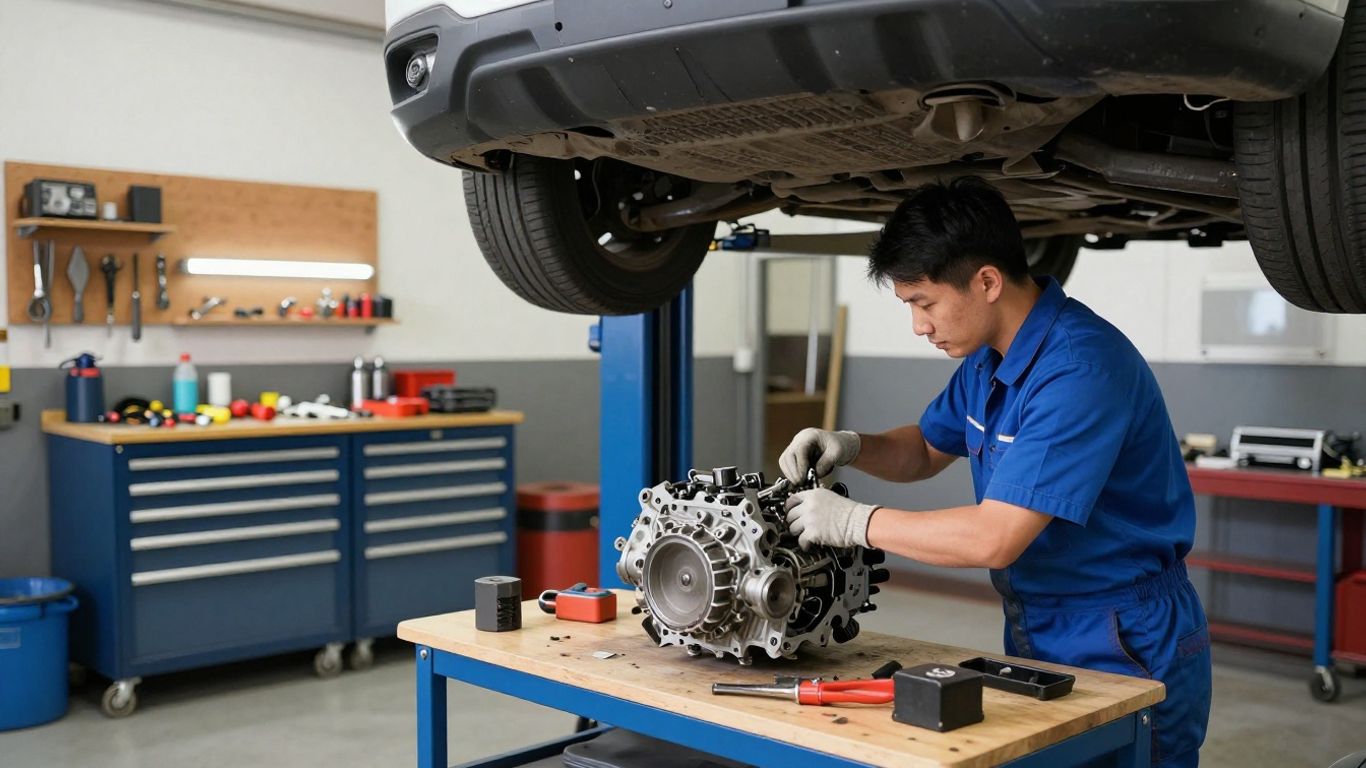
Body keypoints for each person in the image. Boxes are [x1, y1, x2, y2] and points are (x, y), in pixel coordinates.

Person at [779, 177, 1210, 767]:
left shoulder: (1079, 370)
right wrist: (851, 445)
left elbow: (995, 537)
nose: (918, 326)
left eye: (923, 303)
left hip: (1123, 635)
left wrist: (856, 522)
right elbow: (927, 450)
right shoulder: (990, 358)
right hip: (1038, 623)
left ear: (986, 281)